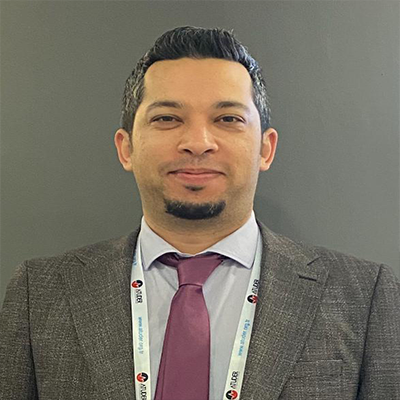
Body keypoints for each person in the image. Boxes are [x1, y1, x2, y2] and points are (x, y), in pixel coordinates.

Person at [0, 25, 399, 400]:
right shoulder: (40, 293)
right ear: (126, 148)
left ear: (265, 149)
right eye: (167, 118)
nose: (197, 142)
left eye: (228, 119)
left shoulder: (365, 297)